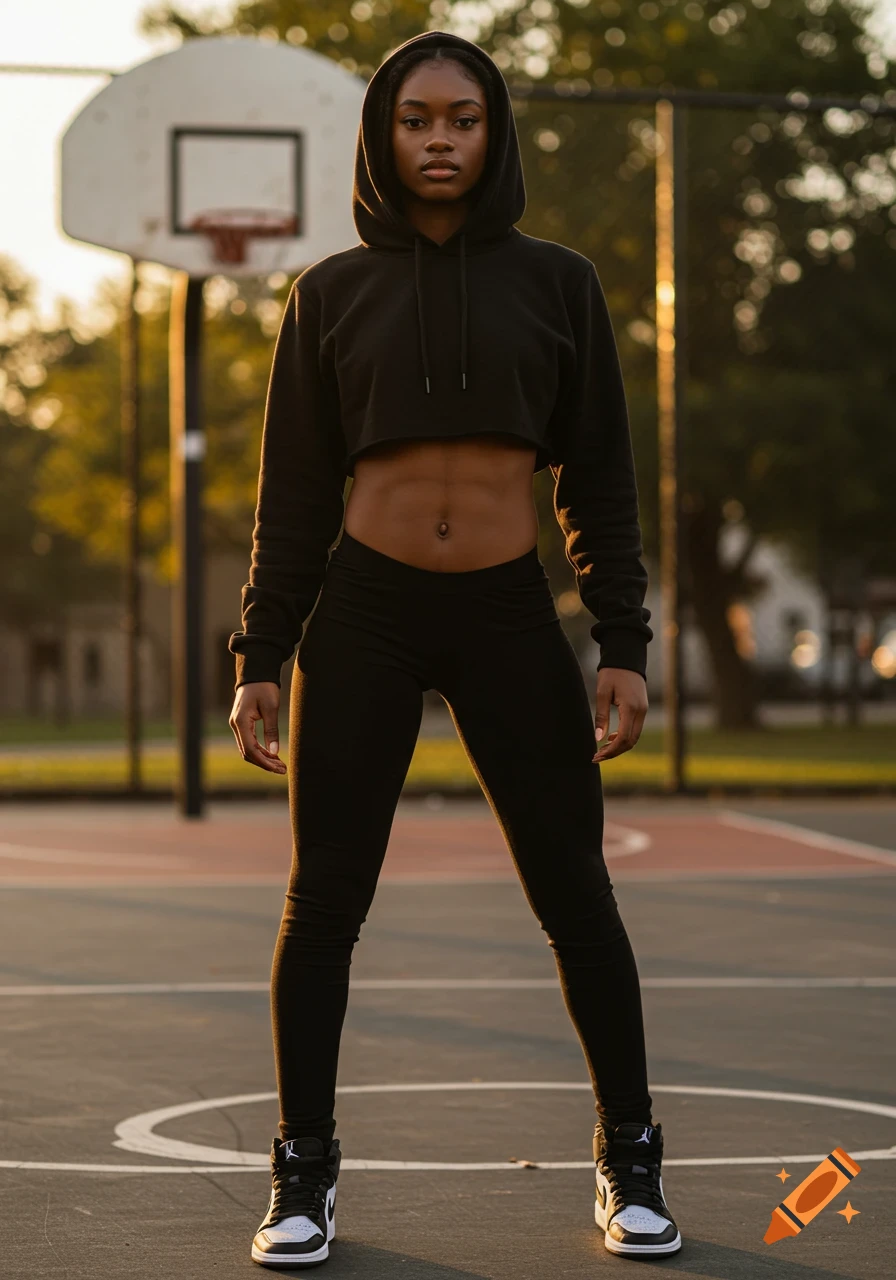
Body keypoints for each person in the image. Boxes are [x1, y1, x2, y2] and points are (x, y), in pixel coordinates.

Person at [228, 28, 682, 1268]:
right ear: (382, 136)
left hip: (504, 612)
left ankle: (628, 1157)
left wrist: (622, 639)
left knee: (575, 898)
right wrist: (260, 653)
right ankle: (301, 1176)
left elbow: (598, 481)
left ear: (494, 135)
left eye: (463, 119)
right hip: (363, 613)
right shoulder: (328, 291)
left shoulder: (558, 282)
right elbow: (294, 493)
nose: (439, 138)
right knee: (321, 906)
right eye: (416, 118)